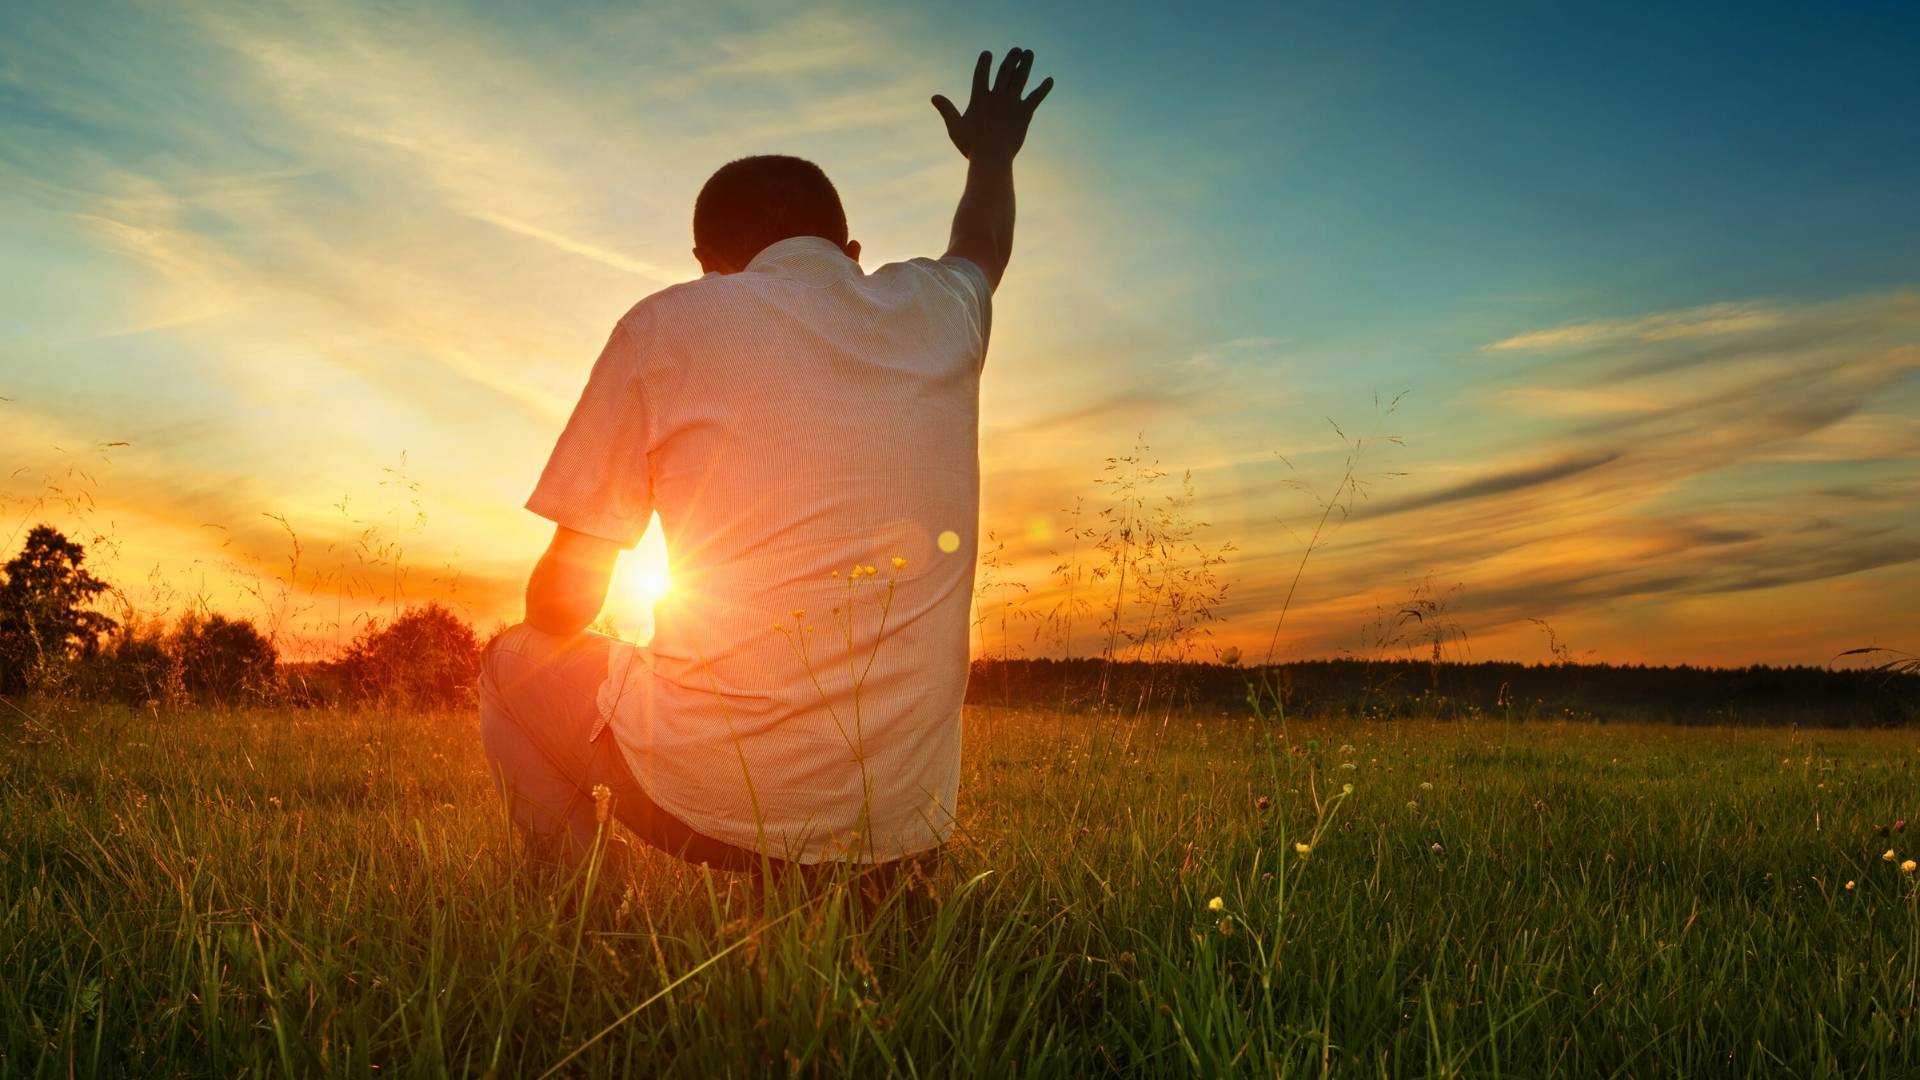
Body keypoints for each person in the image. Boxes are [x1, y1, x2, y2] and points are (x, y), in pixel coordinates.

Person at [478, 49, 1053, 879]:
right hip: (905, 826)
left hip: (710, 815)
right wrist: (992, 154)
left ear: (709, 267)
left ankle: (576, 920)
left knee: (512, 662)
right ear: (851, 251)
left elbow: (563, 605)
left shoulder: (664, 324)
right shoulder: (938, 309)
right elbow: (983, 245)